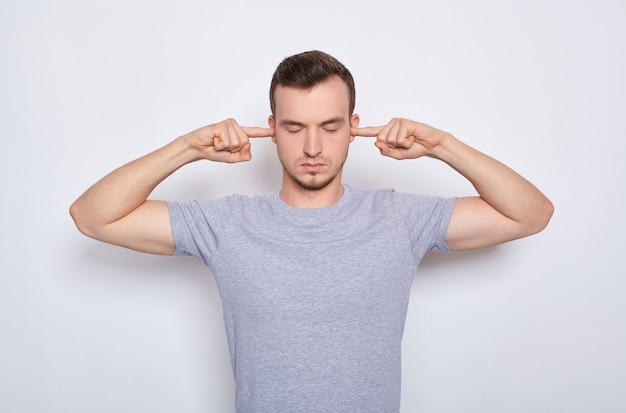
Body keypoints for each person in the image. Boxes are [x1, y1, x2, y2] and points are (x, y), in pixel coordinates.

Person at [70, 50, 553, 412]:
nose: (313, 146)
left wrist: (444, 145)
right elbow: (92, 216)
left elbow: (530, 214)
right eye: (295, 127)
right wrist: (186, 148)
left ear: (354, 127)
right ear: (273, 129)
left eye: (330, 125)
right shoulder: (226, 224)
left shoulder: (398, 219)